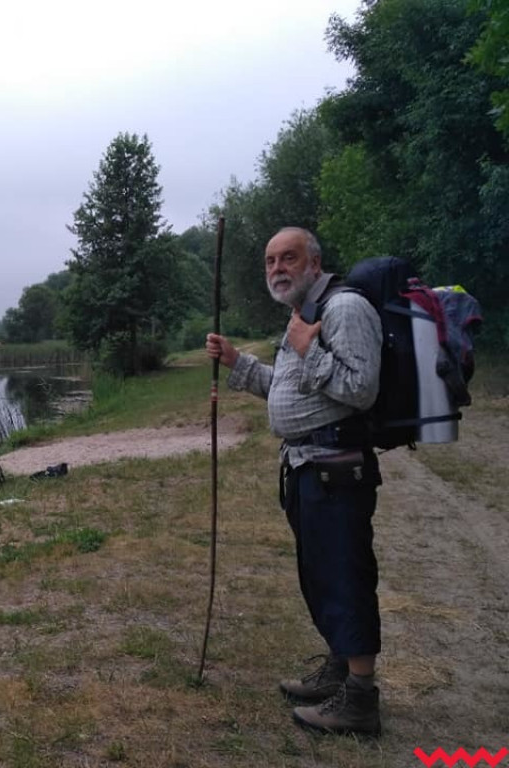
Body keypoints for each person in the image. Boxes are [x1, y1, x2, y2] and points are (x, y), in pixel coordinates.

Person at [205, 227, 384, 736]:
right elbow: (284, 390)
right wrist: (238, 363)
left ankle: (360, 700)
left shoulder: (344, 308)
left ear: (314, 262)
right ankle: (338, 669)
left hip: (337, 468)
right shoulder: (302, 314)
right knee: (321, 575)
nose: (277, 268)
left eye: (288, 258)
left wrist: (310, 349)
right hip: (307, 467)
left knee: (346, 577)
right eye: (269, 261)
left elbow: (361, 388)